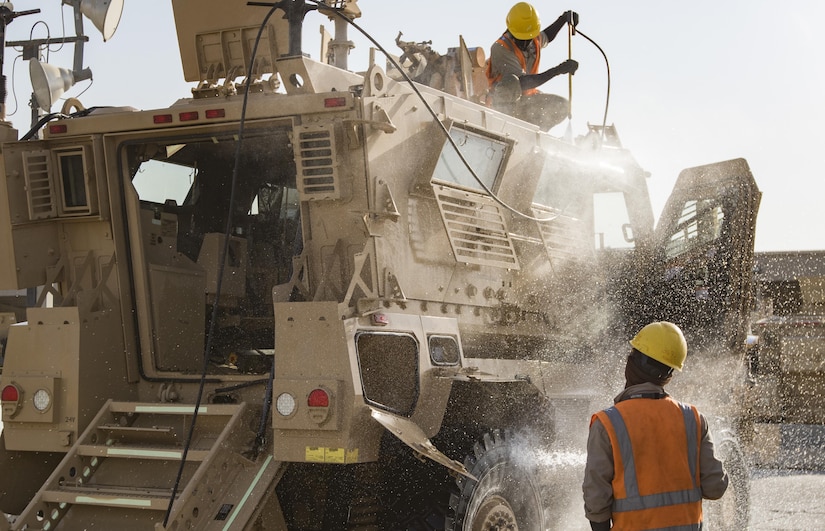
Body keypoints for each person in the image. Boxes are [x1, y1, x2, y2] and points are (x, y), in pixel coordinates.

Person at [582, 321, 729, 531]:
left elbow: (596, 499)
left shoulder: (608, 423)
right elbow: (716, 487)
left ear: (631, 365)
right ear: (669, 375)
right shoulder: (694, 419)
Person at [486, 2, 580, 129]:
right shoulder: (501, 48)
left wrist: (563, 19)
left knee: (562, 105)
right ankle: (505, 129)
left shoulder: (532, 40)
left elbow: (547, 36)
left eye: (528, 38)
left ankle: (536, 136)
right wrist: (557, 70)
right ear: (511, 30)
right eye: (520, 38)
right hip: (501, 106)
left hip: (526, 102)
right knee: (512, 81)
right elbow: (522, 83)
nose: (525, 42)